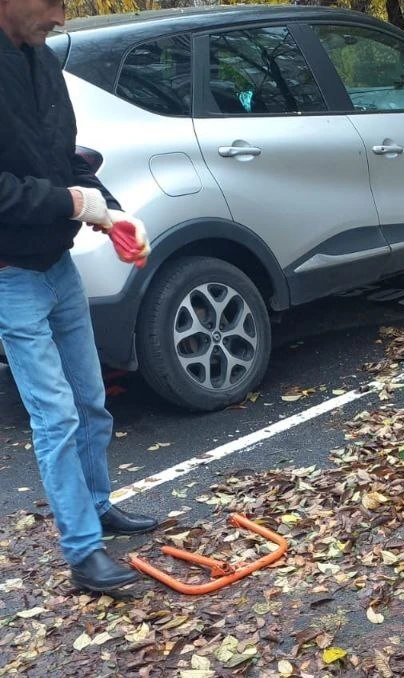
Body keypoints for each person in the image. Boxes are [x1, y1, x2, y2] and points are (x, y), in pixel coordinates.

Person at [0, 0, 156, 593]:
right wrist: (71, 203)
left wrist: (111, 211)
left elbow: (65, 158)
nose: (62, 16)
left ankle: (98, 507)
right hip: (10, 273)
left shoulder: (42, 60)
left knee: (92, 400)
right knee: (56, 416)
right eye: (51, 4)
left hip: (58, 266)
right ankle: (83, 554)